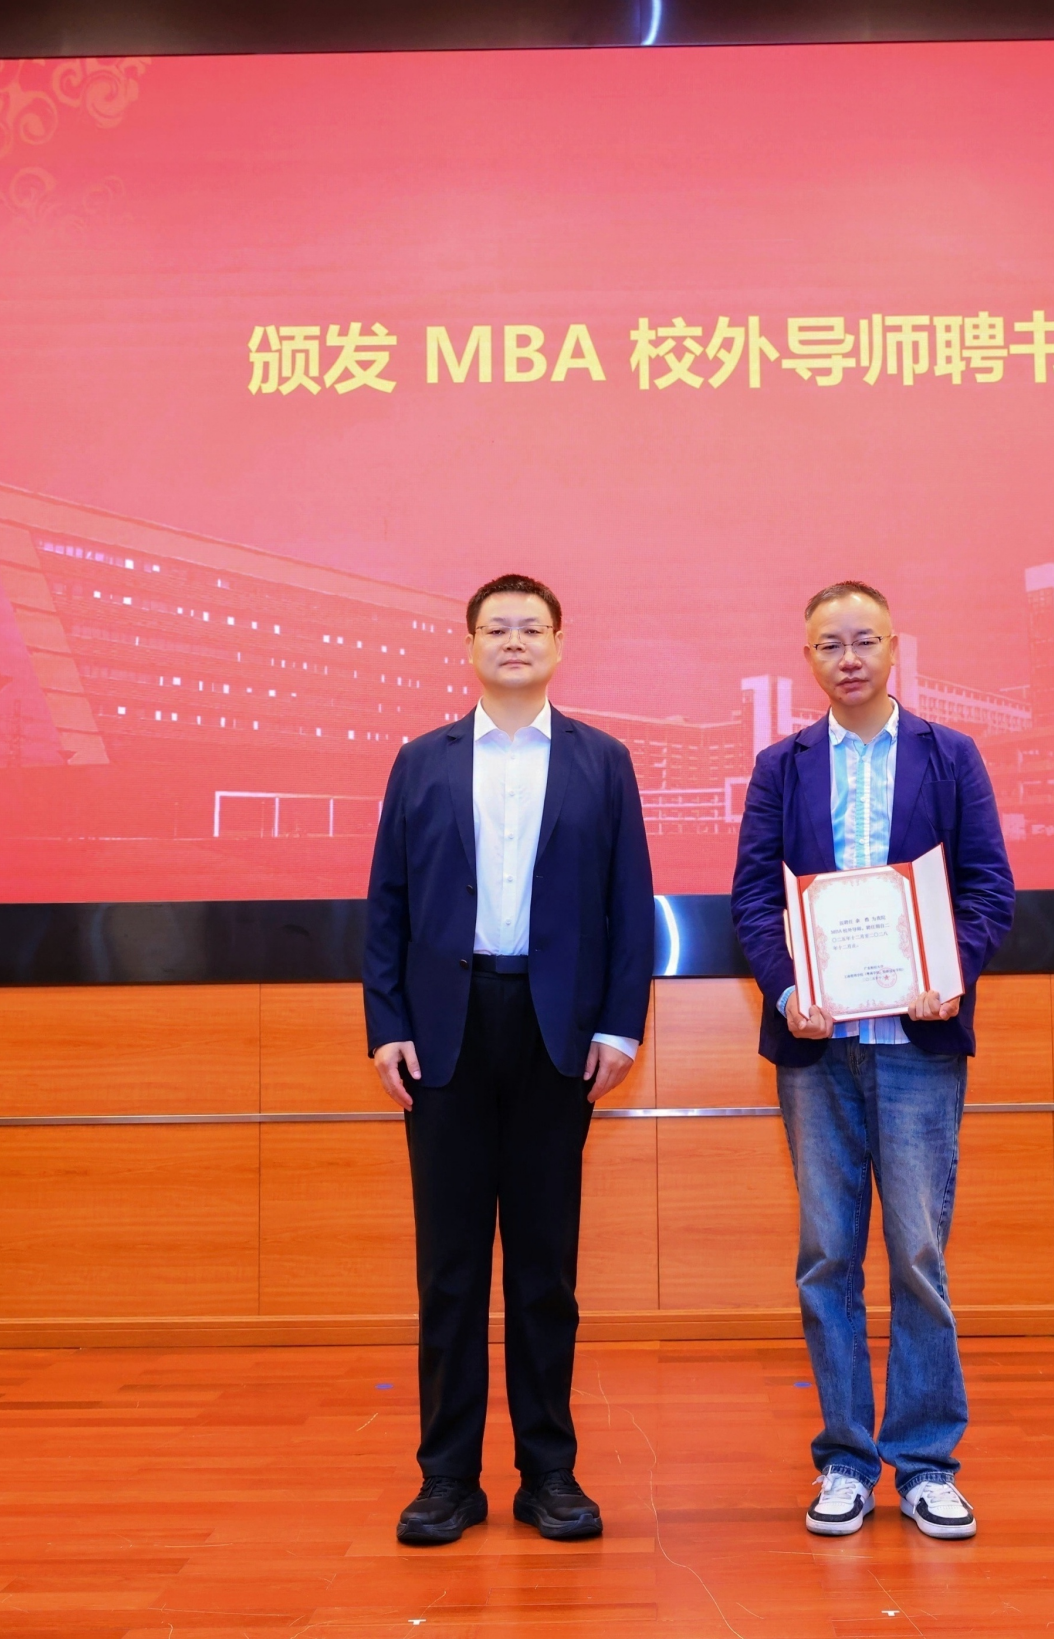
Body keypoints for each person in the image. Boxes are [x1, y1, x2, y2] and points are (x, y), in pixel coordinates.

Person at [363, 572, 655, 1547]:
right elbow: (387, 905)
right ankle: (446, 1478)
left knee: (543, 1268)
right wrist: (386, 1021)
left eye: (533, 627)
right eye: (497, 627)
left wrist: (619, 1027)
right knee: (449, 1269)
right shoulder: (422, 762)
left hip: (554, 1032)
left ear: (560, 645)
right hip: (443, 1031)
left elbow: (629, 904)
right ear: (470, 646)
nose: (515, 640)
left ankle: (549, 1472)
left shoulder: (602, 761)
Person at [730, 580, 1016, 1541]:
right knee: (828, 1258)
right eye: (830, 644)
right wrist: (787, 991)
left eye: (864, 640)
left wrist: (948, 971)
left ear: (895, 648)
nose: (848, 658)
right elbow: (752, 901)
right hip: (817, 1048)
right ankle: (847, 1460)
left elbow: (988, 888)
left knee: (920, 1256)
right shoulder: (781, 766)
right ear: (808, 658)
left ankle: (927, 1463)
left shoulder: (950, 755)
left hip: (917, 1043)